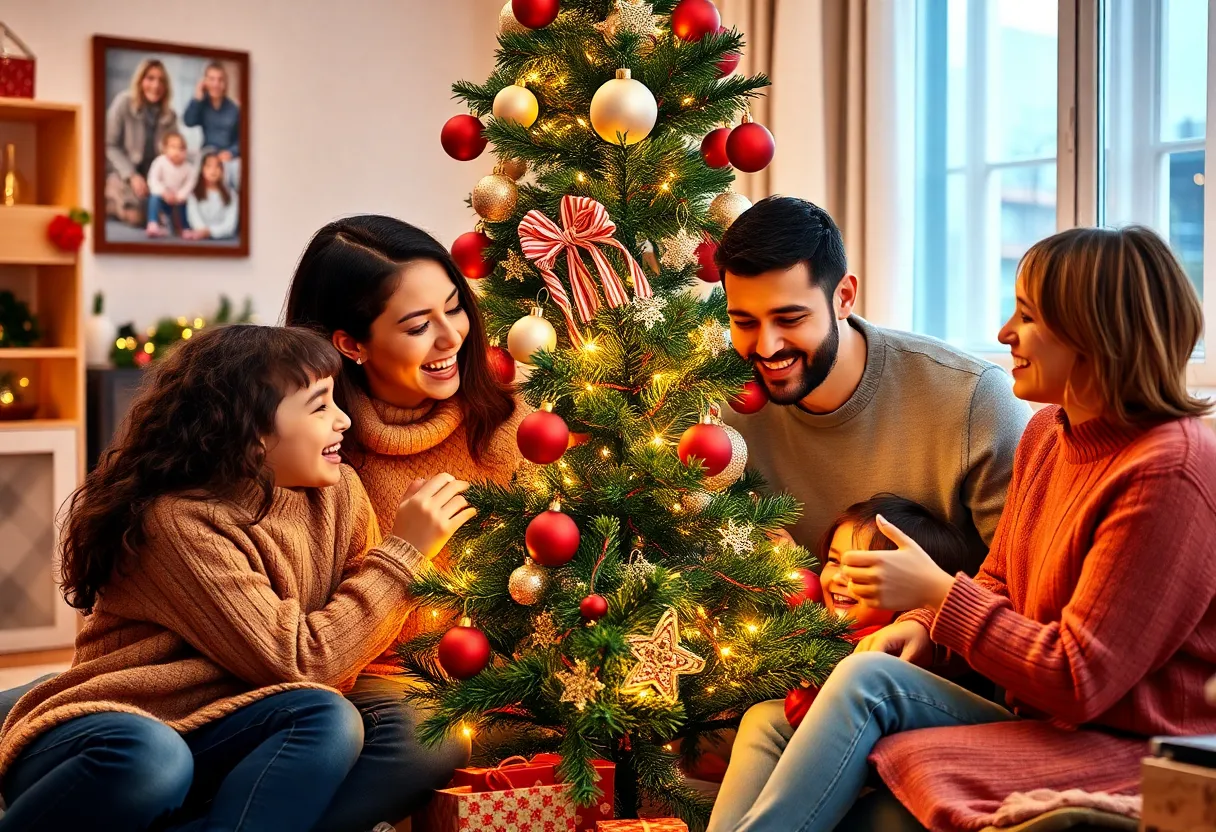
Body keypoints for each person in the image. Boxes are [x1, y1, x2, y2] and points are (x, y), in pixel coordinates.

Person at [709, 225, 1216, 832]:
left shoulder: (1170, 471)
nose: (1005, 334)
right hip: (1042, 719)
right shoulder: (1050, 435)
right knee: (779, 717)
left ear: (1095, 333)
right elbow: (1002, 578)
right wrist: (923, 629)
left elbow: (1081, 682)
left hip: (1130, 748)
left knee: (870, 692)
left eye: (1028, 317)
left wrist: (938, 596)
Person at [0, 326, 472, 832]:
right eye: (319, 407)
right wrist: (403, 554)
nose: (343, 420)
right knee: (160, 758)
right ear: (249, 434)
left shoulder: (339, 493)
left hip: (241, 722)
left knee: (425, 731)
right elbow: (302, 661)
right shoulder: (178, 521)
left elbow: (348, 648)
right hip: (122, 729)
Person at [717, 196, 1030, 571]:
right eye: (745, 323)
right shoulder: (715, 410)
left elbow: (1024, 586)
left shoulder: (975, 400)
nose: (767, 347)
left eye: (790, 318)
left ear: (844, 297)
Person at [711, 494, 971, 830]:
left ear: (916, 588)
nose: (841, 578)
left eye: (866, 568)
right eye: (834, 561)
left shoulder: (904, 645)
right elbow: (806, 613)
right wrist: (786, 566)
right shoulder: (841, 630)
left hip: (906, 767)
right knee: (762, 716)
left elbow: (819, 709)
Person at [104, 58, 180, 227]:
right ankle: (112, 204)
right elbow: (109, 145)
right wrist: (131, 175)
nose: (155, 85)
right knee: (137, 217)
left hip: (153, 176)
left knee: (166, 214)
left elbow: (175, 151)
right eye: (150, 78)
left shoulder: (171, 116)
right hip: (122, 173)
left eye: (161, 80)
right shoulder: (123, 103)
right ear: (140, 81)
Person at [183, 61, 241, 186]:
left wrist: (231, 152)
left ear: (225, 84)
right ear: (205, 82)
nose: (216, 84)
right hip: (207, 154)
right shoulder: (202, 105)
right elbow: (188, 121)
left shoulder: (234, 109)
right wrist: (197, 98)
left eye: (220, 80)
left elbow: (242, 140)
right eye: (212, 79)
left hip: (227, 157)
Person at [145, 131, 195, 238]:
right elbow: (153, 179)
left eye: (181, 149)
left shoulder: (188, 167)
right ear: (165, 149)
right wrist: (163, 192)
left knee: (186, 203)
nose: (177, 151)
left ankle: (185, 227)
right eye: (173, 147)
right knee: (153, 198)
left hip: (178, 198)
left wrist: (180, 195)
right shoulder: (159, 162)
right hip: (163, 196)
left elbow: (190, 183)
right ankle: (153, 223)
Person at [184, 151, 238, 240]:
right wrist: (201, 231)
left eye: (217, 166)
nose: (213, 170)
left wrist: (210, 231)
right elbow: (194, 218)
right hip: (199, 240)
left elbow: (230, 225)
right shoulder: (194, 194)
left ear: (222, 170)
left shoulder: (231, 195)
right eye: (209, 166)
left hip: (224, 241)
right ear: (202, 169)